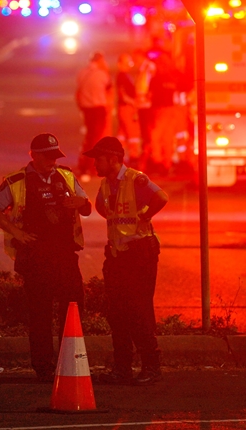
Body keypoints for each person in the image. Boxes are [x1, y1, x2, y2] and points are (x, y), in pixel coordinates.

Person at [0, 133, 92, 382]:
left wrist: (80, 203)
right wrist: (16, 232)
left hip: (65, 254)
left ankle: (70, 362)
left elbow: (86, 207)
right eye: (48, 156)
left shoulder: (66, 176)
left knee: (73, 309)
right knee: (40, 314)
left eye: (56, 156)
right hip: (35, 257)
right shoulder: (17, 181)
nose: (53, 161)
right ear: (34, 155)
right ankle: (43, 367)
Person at [84, 136, 169, 385]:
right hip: (116, 255)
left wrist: (145, 215)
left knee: (139, 311)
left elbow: (161, 197)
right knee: (117, 312)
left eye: (98, 159)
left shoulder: (136, 179)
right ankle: (122, 368)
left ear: (113, 159)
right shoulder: (105, 184)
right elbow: (102, 207)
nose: (95, 165)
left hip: (139, 252)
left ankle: (151, 366)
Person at [75, 51, 112, 180]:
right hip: (98, 109)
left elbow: (79, 90)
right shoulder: (102, 74)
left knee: (90, 136)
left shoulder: (82, 73)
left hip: (86, 109)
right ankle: (89, 166)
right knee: (96, 138)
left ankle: (84, 163)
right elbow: (109, 89)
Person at [148, 53, 182, 175]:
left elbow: (150, 95)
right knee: (168, 138)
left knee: (155, 136)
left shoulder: (156, 78)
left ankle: (158, 162)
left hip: (160, 110)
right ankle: (168, 163)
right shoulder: (173, 77)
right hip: (172, 110)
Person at [132, 49, 156, 172]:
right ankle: (147, 158)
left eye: (135, 58)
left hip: (147, 105)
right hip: (142, 105)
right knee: (144, 133)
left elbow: (152, 85)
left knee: (148, 133)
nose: (134, 61)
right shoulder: (142, 68)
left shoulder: (149, 67)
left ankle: (149, 159)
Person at [115, 53, 140, 163]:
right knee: (132, 133)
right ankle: (134, 156)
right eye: (127, 63)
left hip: (125, 107)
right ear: (120, 64)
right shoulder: (122, 76)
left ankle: (117, 154)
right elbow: (122, 94)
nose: (129, 65)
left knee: (123, 134)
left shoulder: (126, 75)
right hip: (127, 108)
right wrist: (134, 103)